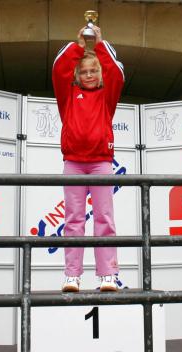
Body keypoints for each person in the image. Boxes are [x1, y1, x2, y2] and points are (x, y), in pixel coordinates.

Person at [52, 25, 124, 292]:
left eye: (93, 70)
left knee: (104, 218)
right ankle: (72, 275)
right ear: (77, 75)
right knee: (73, 220)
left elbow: (117, 73)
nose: (89, 74)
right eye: (83, 71)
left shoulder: (107, 96)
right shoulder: (68, 95)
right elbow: (58, 70)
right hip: (73, 161)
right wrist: (80, 45)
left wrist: (100, 45)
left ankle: (108, 274)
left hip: (100, 162)